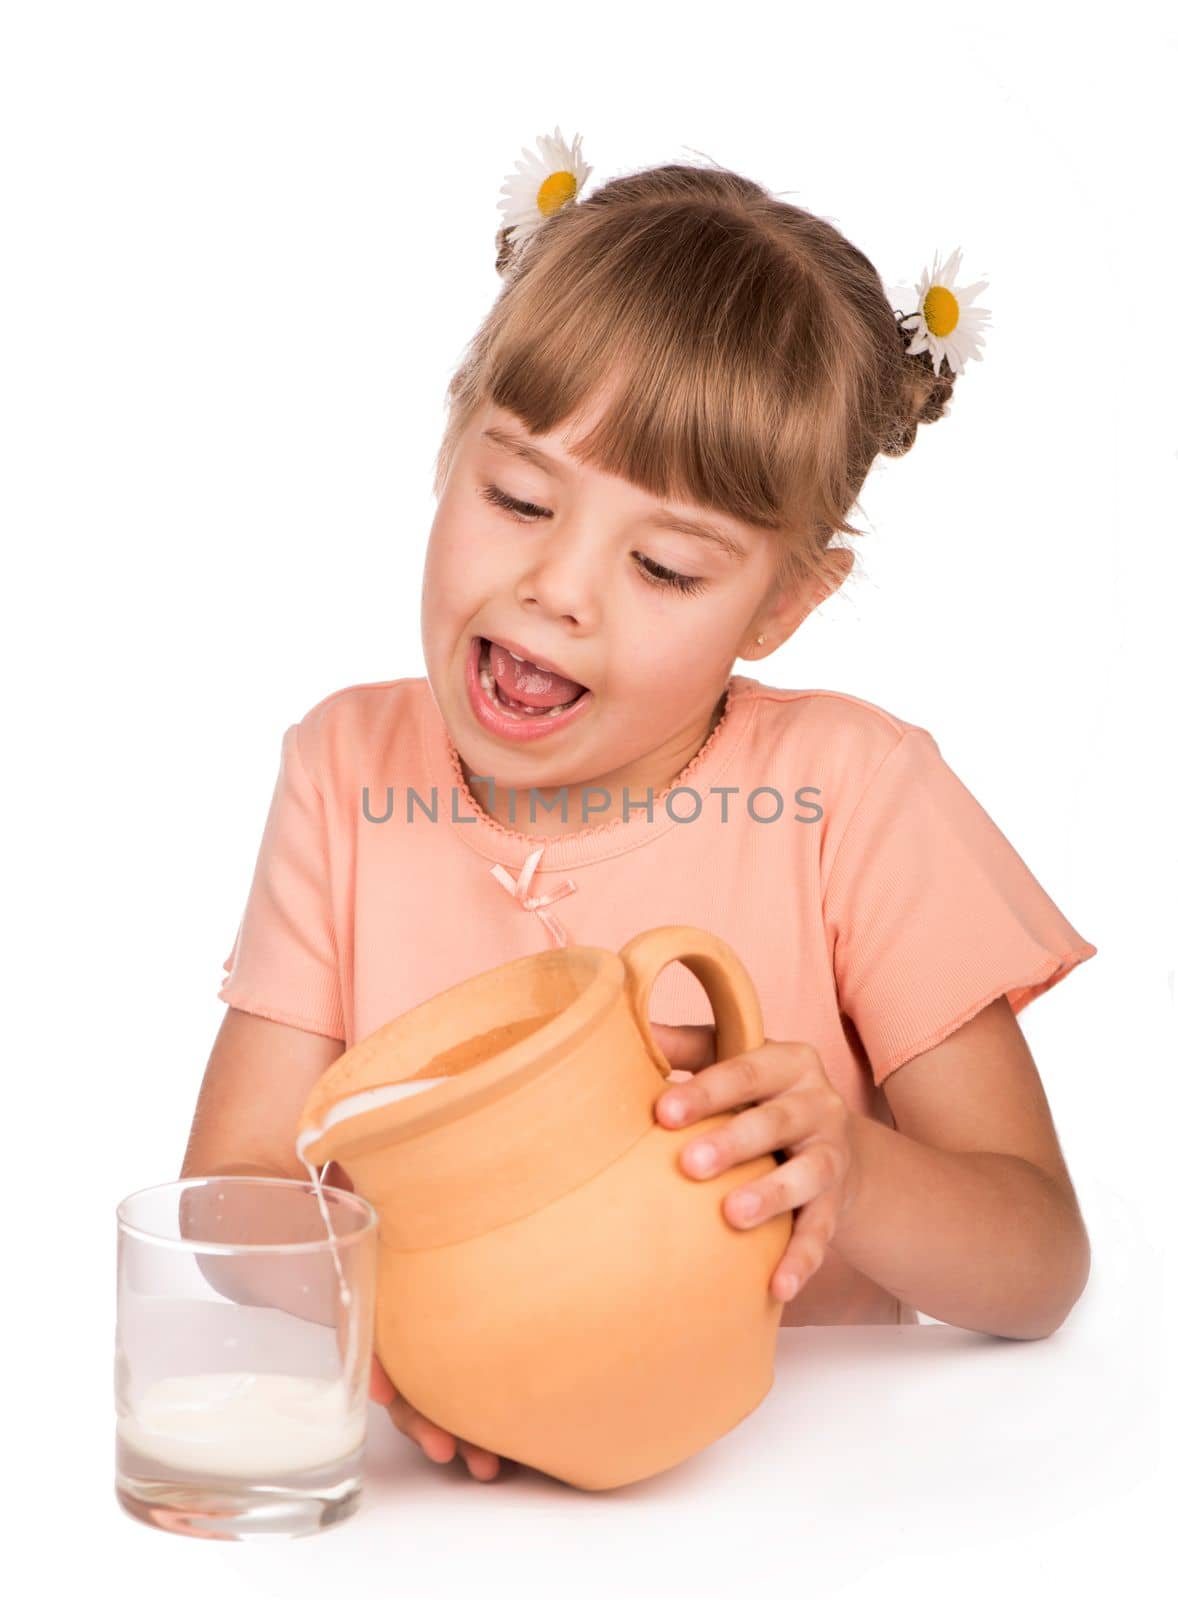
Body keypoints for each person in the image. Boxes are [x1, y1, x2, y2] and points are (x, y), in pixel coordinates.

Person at [180, 130, 1097, 1484]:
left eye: (665, 568)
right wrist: (404, 1329)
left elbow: (1038, 1266)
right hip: (453, 1531)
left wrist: (844, 1161)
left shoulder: (852, 793)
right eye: (515, 496)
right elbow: (234, 1194)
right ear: (450, 453)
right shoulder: (344, 767)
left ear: (783, 604)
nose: (560, 589)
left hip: (833, 1494)